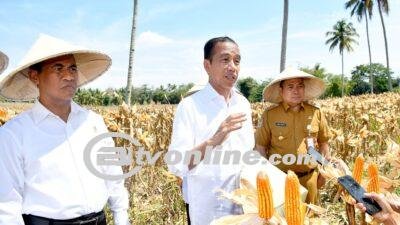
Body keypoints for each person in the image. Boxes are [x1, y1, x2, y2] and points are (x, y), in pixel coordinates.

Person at [0, 34, 129, 225]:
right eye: (58, 68)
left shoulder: (94, 122)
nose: (69, 76)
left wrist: (121, 217)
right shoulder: (14, 134)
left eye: (72, 68)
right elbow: (7, 205)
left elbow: (113, 176)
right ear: (35, 76)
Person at [167, 36, 254, 225]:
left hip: (242, 207)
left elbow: (248, 153)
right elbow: (176, 163)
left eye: (237, 61)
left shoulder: (243, 104)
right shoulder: (190, 106)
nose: (233, 66)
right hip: (206, 209)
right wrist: (214, 140)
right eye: (225, 60)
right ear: (207, 65)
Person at [255, 67, 330, 204]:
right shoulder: (270, 115)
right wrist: (266, 176)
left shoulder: (316, 113)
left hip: (309, 179)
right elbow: (260, 147)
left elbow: (324, 145)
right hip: (280, 180)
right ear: (281, 90)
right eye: (290, 87)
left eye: (300, 86)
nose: (296, 91)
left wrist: (323, 172)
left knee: (311, 219)